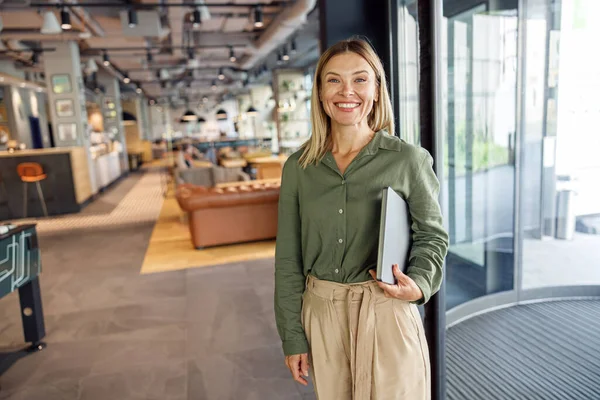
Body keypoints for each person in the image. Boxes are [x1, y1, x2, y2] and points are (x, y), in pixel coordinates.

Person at [274, 37, 449, 400]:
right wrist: (292, 335)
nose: (346, 91)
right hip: (322, 316)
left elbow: (433, 237)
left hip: (386, 310)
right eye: (333, 80)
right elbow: (288, 259)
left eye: (360, 79)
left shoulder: (408, 160)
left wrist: (418, 284)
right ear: (320, 92)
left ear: (376, 88)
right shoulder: (299, 168)